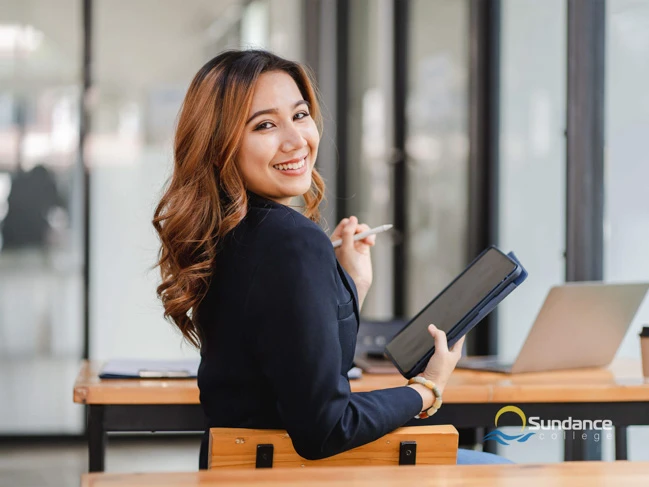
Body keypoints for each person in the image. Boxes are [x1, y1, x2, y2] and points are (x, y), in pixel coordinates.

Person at [152, 49, 512, 467]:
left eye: (300, 115)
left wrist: (349, 285)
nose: (296, 140)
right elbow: (326, 427)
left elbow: (288, 363)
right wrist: (426, 388)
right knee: (500, 470)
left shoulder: (229, 232)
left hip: (243, 471)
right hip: (291, 475)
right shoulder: (292, 241)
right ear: (220, 147)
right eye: (265, 125)